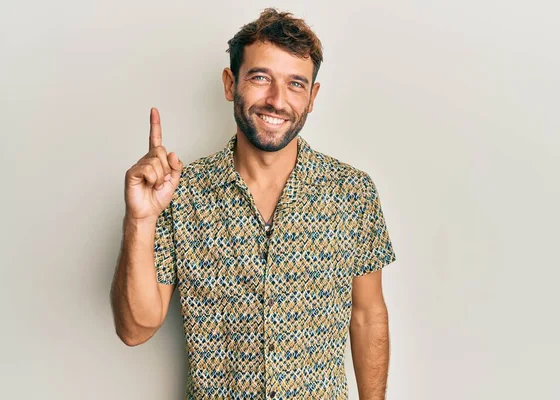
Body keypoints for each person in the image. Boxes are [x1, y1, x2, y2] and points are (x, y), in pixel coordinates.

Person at [110, 7, 396, 400]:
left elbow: (368, 315)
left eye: (296, 84)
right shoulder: (179, 195)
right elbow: (135, 328)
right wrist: (140, 219)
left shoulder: (352, 192)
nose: (277, 101)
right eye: (261, 78)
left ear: (312, 97)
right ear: (231, 83)